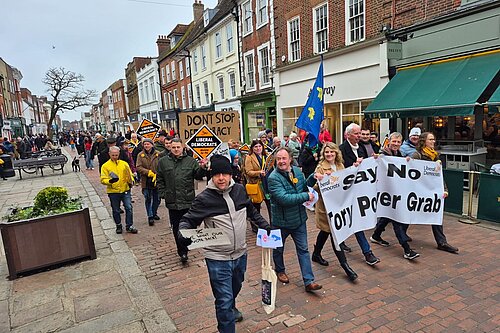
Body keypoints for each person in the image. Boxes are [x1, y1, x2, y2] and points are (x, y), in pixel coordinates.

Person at [178, 155, 271, 332]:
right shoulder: (204, 198)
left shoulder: (240, 190)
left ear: (230, 175)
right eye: (217, 174)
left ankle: (231, 305)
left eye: (225, 174)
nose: (221, 178)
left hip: (240, 254)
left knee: (235, 287)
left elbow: (251, 211)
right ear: (211, 176)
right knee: (223, 300)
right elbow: (188, 220)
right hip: (217, 258)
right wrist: (183, 233)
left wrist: (265, 226)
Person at [268, 147, 322, 292]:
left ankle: (309, 281)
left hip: (299, 219)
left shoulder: (297, 171)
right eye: (278, 159)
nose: (281, 161)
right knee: (278, 249)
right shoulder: (273, 178)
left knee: (303, 250)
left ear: (290, 159)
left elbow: (304, 187)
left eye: (284, 158)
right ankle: (280, 270)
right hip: (281, 222)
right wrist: (306, 197)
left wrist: (312, 178)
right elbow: (283, 199)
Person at [307, 142, 358, 281]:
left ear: (336, 153)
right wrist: (323, 179)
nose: (329, 154)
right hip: (327, 208)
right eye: (327, 152)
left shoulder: (340, 165)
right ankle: (346, 267)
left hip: (339, 206)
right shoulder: (321, 167)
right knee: (336, 236)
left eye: (332, 152)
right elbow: (316, 188)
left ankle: (316, 254)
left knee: (325, 232)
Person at [369, 132, 420, 260]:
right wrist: (376, 159)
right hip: (386, 193)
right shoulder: (383, 155)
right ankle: (407, 249)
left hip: (395, 193)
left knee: (387, 216)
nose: (396, 144)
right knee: (396, 218)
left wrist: (407, 162)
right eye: (394, 141)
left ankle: (376, 236)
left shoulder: (400, 155)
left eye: (398, 142)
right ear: (389, 141)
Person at [156, 138, 208, 263]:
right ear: (170, 148)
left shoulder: (190, 161)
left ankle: (186, 243)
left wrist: (203, 167)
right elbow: (160, 179)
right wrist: (163, 193)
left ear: (182, 147)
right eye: (173, 147)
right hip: (172, 201)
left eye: (178, 147)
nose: (176, 149)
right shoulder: (163, 162)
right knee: (176, 227)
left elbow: (198, 175)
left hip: (188, 200)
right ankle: (182, 250)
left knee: (189, 225)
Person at [339, 123, 380, 265]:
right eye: (356, 134)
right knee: (337, 224)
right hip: (346, 193)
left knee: (357, 222)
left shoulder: (361, 148)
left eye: (359, 133)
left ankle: (367, 252)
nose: (359, 136)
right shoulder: (341, 150)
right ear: (347, 135)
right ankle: (328, 245)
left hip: (359, 191)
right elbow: (340, 171)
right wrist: (353, 166)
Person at [412, 132, 458, 254]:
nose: (433, 141)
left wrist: (445, 189)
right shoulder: (417, 155)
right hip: (420, 191)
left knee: (436, 215)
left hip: (432, 191)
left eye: (434, 139)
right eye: (430, 139)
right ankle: (399, 233)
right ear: (424, 141)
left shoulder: (436, 156)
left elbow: (439, 176)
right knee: (411, 212)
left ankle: (441, 242)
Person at [100, 146, 138, 234]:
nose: (115, 157)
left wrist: (131, 180)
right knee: (116, 209)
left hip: (125, 189)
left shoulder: (124, 164)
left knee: (129, 207)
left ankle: (129, 225)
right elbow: (102, 179)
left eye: (116, 155)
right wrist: (110, 181)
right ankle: (118, 225)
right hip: (113, 191)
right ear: (109, 154)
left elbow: (129, 175)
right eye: (113, 155)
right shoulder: (105, 166)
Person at [244, 139, 269, 231]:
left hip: (266, 183)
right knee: (256, 206)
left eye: (259, 146)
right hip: (256, 184)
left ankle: (273, 224)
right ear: (252, 148)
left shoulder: (266, 156)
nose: (258, 148)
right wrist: (259, 172)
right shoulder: (249, 157)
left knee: (270, 204)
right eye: (256, 146)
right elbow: (248, 171)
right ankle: (255, 227)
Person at [136, 138, 161, 226]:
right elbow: (138, 167)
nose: (146, 146)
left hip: (156, 180)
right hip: (146, 181)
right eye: (145, 144)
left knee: (157, 199)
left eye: (148, 144)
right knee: (148, 198)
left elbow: (162, 165)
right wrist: (148, 172)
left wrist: (157, 174)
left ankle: (154, 212)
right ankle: (150, 216)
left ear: (152, 145)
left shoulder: (158, 154)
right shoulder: (140, 155)